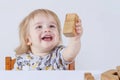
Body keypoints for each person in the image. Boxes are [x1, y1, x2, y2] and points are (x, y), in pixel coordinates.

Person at [14, 9, 83, 70]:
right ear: (28, 40)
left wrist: (75, 38)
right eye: (39, 27)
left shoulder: (58, 55)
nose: (47, 29)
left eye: (51, 26)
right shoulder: (21, 60)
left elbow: (71, 53)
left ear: (58, 36)